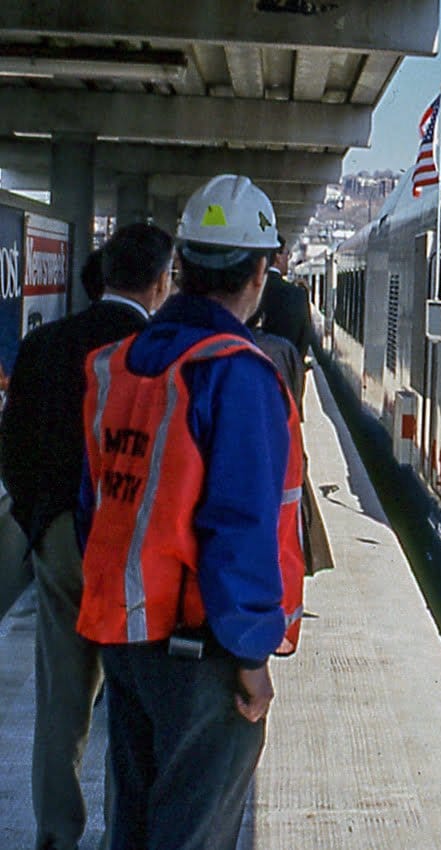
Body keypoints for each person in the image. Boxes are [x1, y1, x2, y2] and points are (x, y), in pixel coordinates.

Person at [77, 174, 305, 850]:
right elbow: (238, 526)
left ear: (181, 265)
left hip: (127, 636)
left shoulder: (120, 363)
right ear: (259, 272)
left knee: (136, 823)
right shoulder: (237, 372)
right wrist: (251, 652)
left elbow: (100, 499)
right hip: (203, 653)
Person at [0, 222, 172, 850]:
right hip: (135, 550)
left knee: (62, 702)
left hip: (63, 545)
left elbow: (12, 446)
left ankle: (55, 833)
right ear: (160, 282)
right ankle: (123, 832)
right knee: (133, 709)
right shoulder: (161, 354)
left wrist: (43, 526)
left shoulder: (45, 345)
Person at [252, 237, 315, 415]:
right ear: (278, 256)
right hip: (282, 390)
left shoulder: (244, 290)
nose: (288, 258)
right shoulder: (295, 295)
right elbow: (303, 341)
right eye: (287, 253)